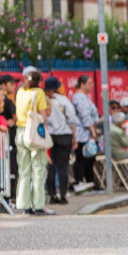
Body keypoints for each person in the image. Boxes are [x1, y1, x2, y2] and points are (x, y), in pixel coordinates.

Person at [15, 67, 54, 215]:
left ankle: (24, 204)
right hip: (34, 133)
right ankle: (38, 205)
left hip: (20, 132)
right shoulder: (39, 93)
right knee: (38, 169)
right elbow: (43, 116)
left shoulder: (20, 92)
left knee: (24, 171)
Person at [42, 76, 77, 205]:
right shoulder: (64, 100)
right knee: (63, 167)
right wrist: (74, 137)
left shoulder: (43, 101)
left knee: (50, 166)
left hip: (49, 136)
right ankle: (62, 195)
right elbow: (72, 119)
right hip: (65, 135)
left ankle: (52, 195)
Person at [71, 75, 99, 193]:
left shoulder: (85, 97)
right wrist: (92, 129)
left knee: (89, 159)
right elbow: (85, 114)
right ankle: (79, 182)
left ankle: (89, 182)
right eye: (89, 83)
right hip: (82, 134)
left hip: (86, 134)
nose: (91, 86)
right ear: (82, 84)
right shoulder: (79, 97)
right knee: (82, 159)